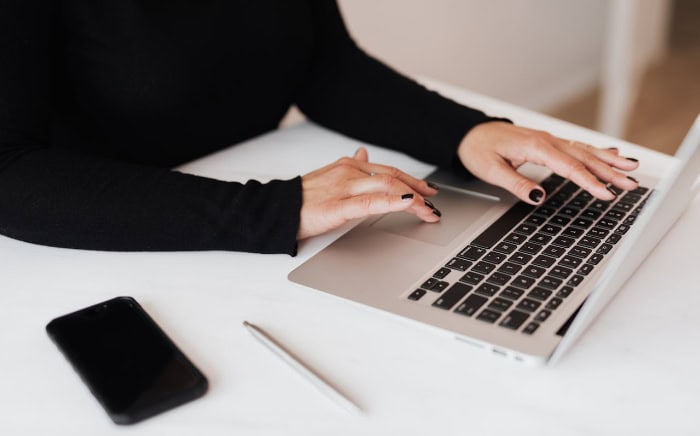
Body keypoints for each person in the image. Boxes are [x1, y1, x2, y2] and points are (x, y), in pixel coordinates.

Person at [0, 0, 639, 256]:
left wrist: (468, 134)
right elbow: (10, 174)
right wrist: (273, 209)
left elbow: (321, 64)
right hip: (100, 242)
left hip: (240, 220)